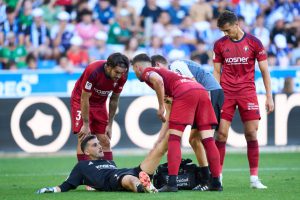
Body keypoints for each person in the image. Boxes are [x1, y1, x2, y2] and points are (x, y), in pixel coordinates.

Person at [131, 53, 222, 192]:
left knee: (174, 138)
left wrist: (161, 106)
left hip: (186, 91)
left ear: (137, 67)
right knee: (208, 140)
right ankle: (216, 182)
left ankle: (172, 184)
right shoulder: (171, 74)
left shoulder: (148, 71)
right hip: (201, 91)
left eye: (133, 69)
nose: (135, 73)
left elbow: (158, 81)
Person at [213, 10, 274, 189]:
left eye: (227, 30)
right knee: (221, 134)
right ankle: (218, 177)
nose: (226, 34)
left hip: (247, 92)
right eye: (223, 31)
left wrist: (269, 96)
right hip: (226, 93)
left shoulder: (254, 42)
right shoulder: (219, 44)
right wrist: (216, 94)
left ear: (236, 24)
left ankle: (254, 179)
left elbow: (264, 70)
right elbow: (216, 71)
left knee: (251, 134)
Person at [36, 135, 157, 193]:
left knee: (155, 153)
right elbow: (66, 185)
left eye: (99, 144)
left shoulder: (110, 161)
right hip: (113, 179)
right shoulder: (82, 166)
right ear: (87, 151)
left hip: (124, 171)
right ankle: (143, 187)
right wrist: (50, 189)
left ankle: (155, 183)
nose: (100, 146)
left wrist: (92, 187)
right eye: (95, 145)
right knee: (129, 179)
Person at [70, 52, 129, 162]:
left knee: (105, 140)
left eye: (122, 73)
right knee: (84, 138)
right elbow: (84, 98)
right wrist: (86, 124)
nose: (118, 76)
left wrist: (110, 124)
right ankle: (85, 174)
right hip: (81, 101)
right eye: (116, 72)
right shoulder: (93, 70)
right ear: (108, 66)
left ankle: (109, 173)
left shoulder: (122, 76)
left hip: (100, 104)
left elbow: (114, 99)